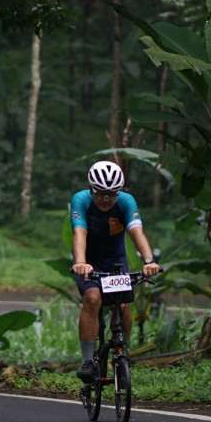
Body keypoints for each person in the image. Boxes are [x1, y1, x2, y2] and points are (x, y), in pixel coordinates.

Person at [68, 160, 160, 383]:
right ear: (91, 189)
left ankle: (121, 352)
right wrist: (80, 262)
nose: (106, 199)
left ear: (119, 192)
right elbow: (79, 233)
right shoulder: (81, 200)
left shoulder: (126, 202)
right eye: (100, 193)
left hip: (115, 261)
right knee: (92, 298)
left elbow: (137, 232)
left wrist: (149, 261)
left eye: (112, 194)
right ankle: (87, 362)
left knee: (123, 305)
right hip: (88, 260)